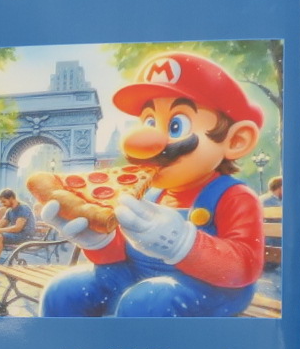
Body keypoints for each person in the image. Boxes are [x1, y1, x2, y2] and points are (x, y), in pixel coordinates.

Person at [34, 52, 268, 316]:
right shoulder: (149, 193)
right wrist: (100, 241)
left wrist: (182, 243)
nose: (145, 143)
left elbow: (245, 266)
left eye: (177, 125)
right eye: (149, 121)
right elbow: (120, 254)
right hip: (140, 275)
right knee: (63, 292)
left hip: (211, 288)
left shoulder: (233, 196)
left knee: (146, 301)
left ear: (236, 140)